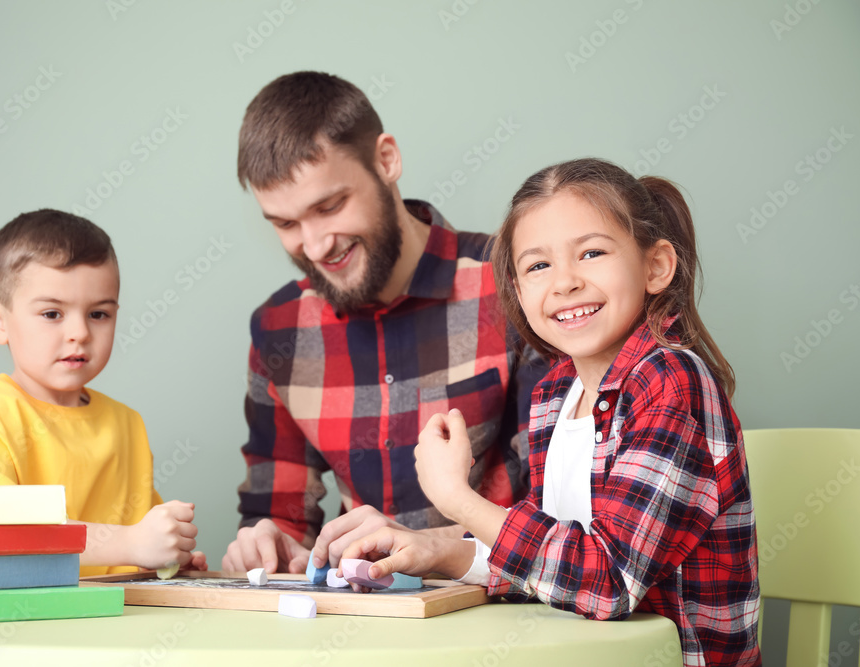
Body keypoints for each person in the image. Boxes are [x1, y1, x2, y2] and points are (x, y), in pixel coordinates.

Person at [342, 159, 761, 666]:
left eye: (591, 252)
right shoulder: (553, 397)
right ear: (518, 291)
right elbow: (554, 568)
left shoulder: (669, 381)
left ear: (656, 267)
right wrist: (438, 550)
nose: (564, 283)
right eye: (538, 266)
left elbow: (606, 582)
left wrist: (458, 499)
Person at [223, 71, 546, 574]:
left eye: (329, 206)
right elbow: (281, 513)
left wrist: (437, 548)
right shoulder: (279, 329)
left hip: (508, 617)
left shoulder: (514, 283)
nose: (314, 247)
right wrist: (267, 543)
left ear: (386, 160)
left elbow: (562, 507)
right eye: (285, 224)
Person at [0, 209, 207, 577]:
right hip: (35, 622)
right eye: (52, 314)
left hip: (123, 616)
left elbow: (141, 537)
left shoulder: (126, 423)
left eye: (99, 314)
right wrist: (129, 543)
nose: (79, 332)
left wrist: (168, 554)